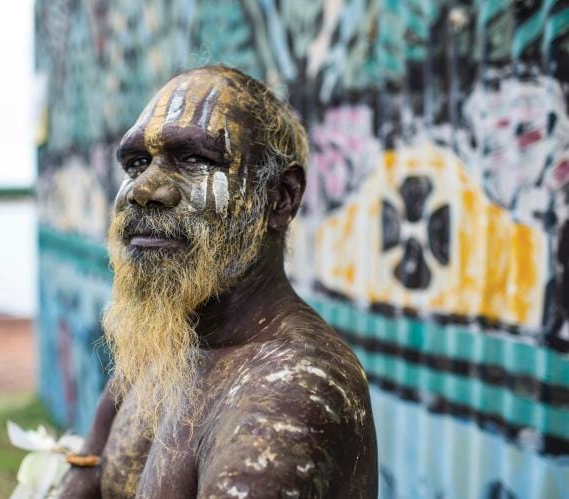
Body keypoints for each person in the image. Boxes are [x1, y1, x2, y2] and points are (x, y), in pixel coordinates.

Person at [61, 65, 377, 498]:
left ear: (280, 198)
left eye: (193, 159)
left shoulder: (291, 387)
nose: (144, 188)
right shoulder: (171, 336)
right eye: (136, 163)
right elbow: (84, 475)